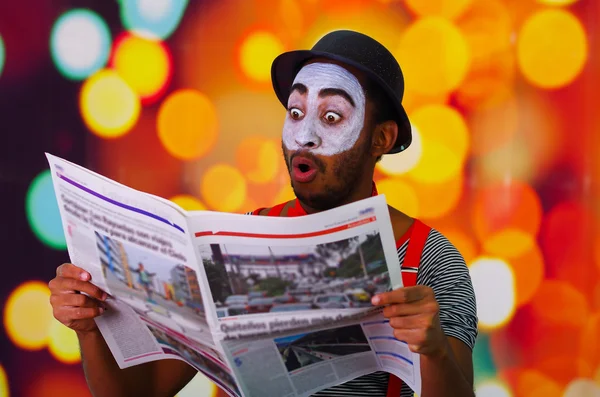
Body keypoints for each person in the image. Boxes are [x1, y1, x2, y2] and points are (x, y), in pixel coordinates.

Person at [48, 30, 477, 397]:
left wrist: (434, 348)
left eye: (331, 116)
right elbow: (142, 391)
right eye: (295, 112)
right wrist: (89, 326)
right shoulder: (236, 242)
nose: (303, 136)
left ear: (381, 139)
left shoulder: (432, 261)